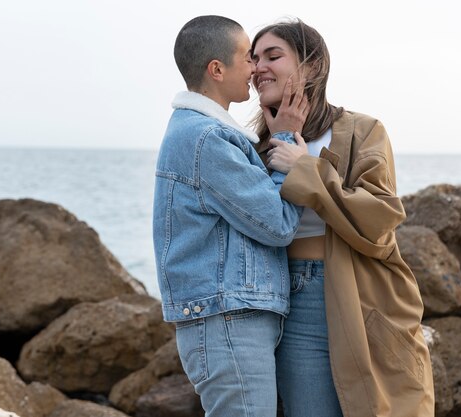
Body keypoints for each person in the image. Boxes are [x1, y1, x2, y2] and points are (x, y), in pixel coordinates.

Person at [250, 17, 435, 417]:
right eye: (253, 58)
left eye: (273, 55)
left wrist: (305, 168)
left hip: (364, 294)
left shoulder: (363, 131)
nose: (257, 66)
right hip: (289, 300)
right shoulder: (253, 146)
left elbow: (381, 218)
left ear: (312, 65)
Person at [152, 15, 308, 417]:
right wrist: (287, 139)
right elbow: (278, 224)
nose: (256, 69)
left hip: (228, 320)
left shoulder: (201, 132)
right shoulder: (206, 138)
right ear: (216, 70)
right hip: (227, 323)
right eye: (247, 57)